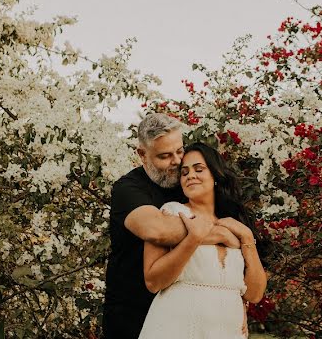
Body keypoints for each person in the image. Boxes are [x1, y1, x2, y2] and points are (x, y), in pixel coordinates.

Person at [103, 113, 241, 339]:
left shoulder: (187, 182)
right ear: (142, 155)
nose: (177, 162)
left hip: (184, 313)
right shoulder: (128, 189)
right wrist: (221, 233)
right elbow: (157, 231)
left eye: (179, 151)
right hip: (132, 313)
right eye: (165, 156)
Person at [138, 142, 267, 339]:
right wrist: (194, 239)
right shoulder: (172, 213)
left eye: (199, 169)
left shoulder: (234, 225)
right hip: (177, 326)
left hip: (227, 330)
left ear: (215, 175)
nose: (191, 176)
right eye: (184, 172)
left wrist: (247, 238)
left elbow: (255, 294)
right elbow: (153, 281)